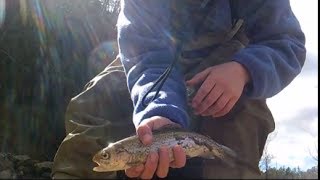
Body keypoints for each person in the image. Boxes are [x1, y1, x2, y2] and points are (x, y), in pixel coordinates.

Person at [51, 0, 306, 179]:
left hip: (227, 59)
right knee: (95, 100)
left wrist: (244, 70)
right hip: (147, 61)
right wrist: (157, 110)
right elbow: (145, 55)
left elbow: (286, 42)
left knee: (247, 112)